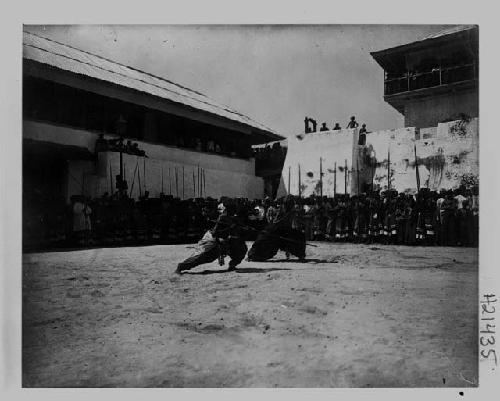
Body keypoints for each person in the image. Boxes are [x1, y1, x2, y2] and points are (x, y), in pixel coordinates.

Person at [175, 201, 248, 273]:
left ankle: (232, 265)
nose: (234, 212)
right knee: (203, 256)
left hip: (225, 240)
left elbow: (241, 229)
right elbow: (215, 233)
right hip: (212, 239)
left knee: (241, 248)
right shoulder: (222, 217)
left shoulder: (235, 218)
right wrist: (229, 228)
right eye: (232, 209)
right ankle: (181, 266)